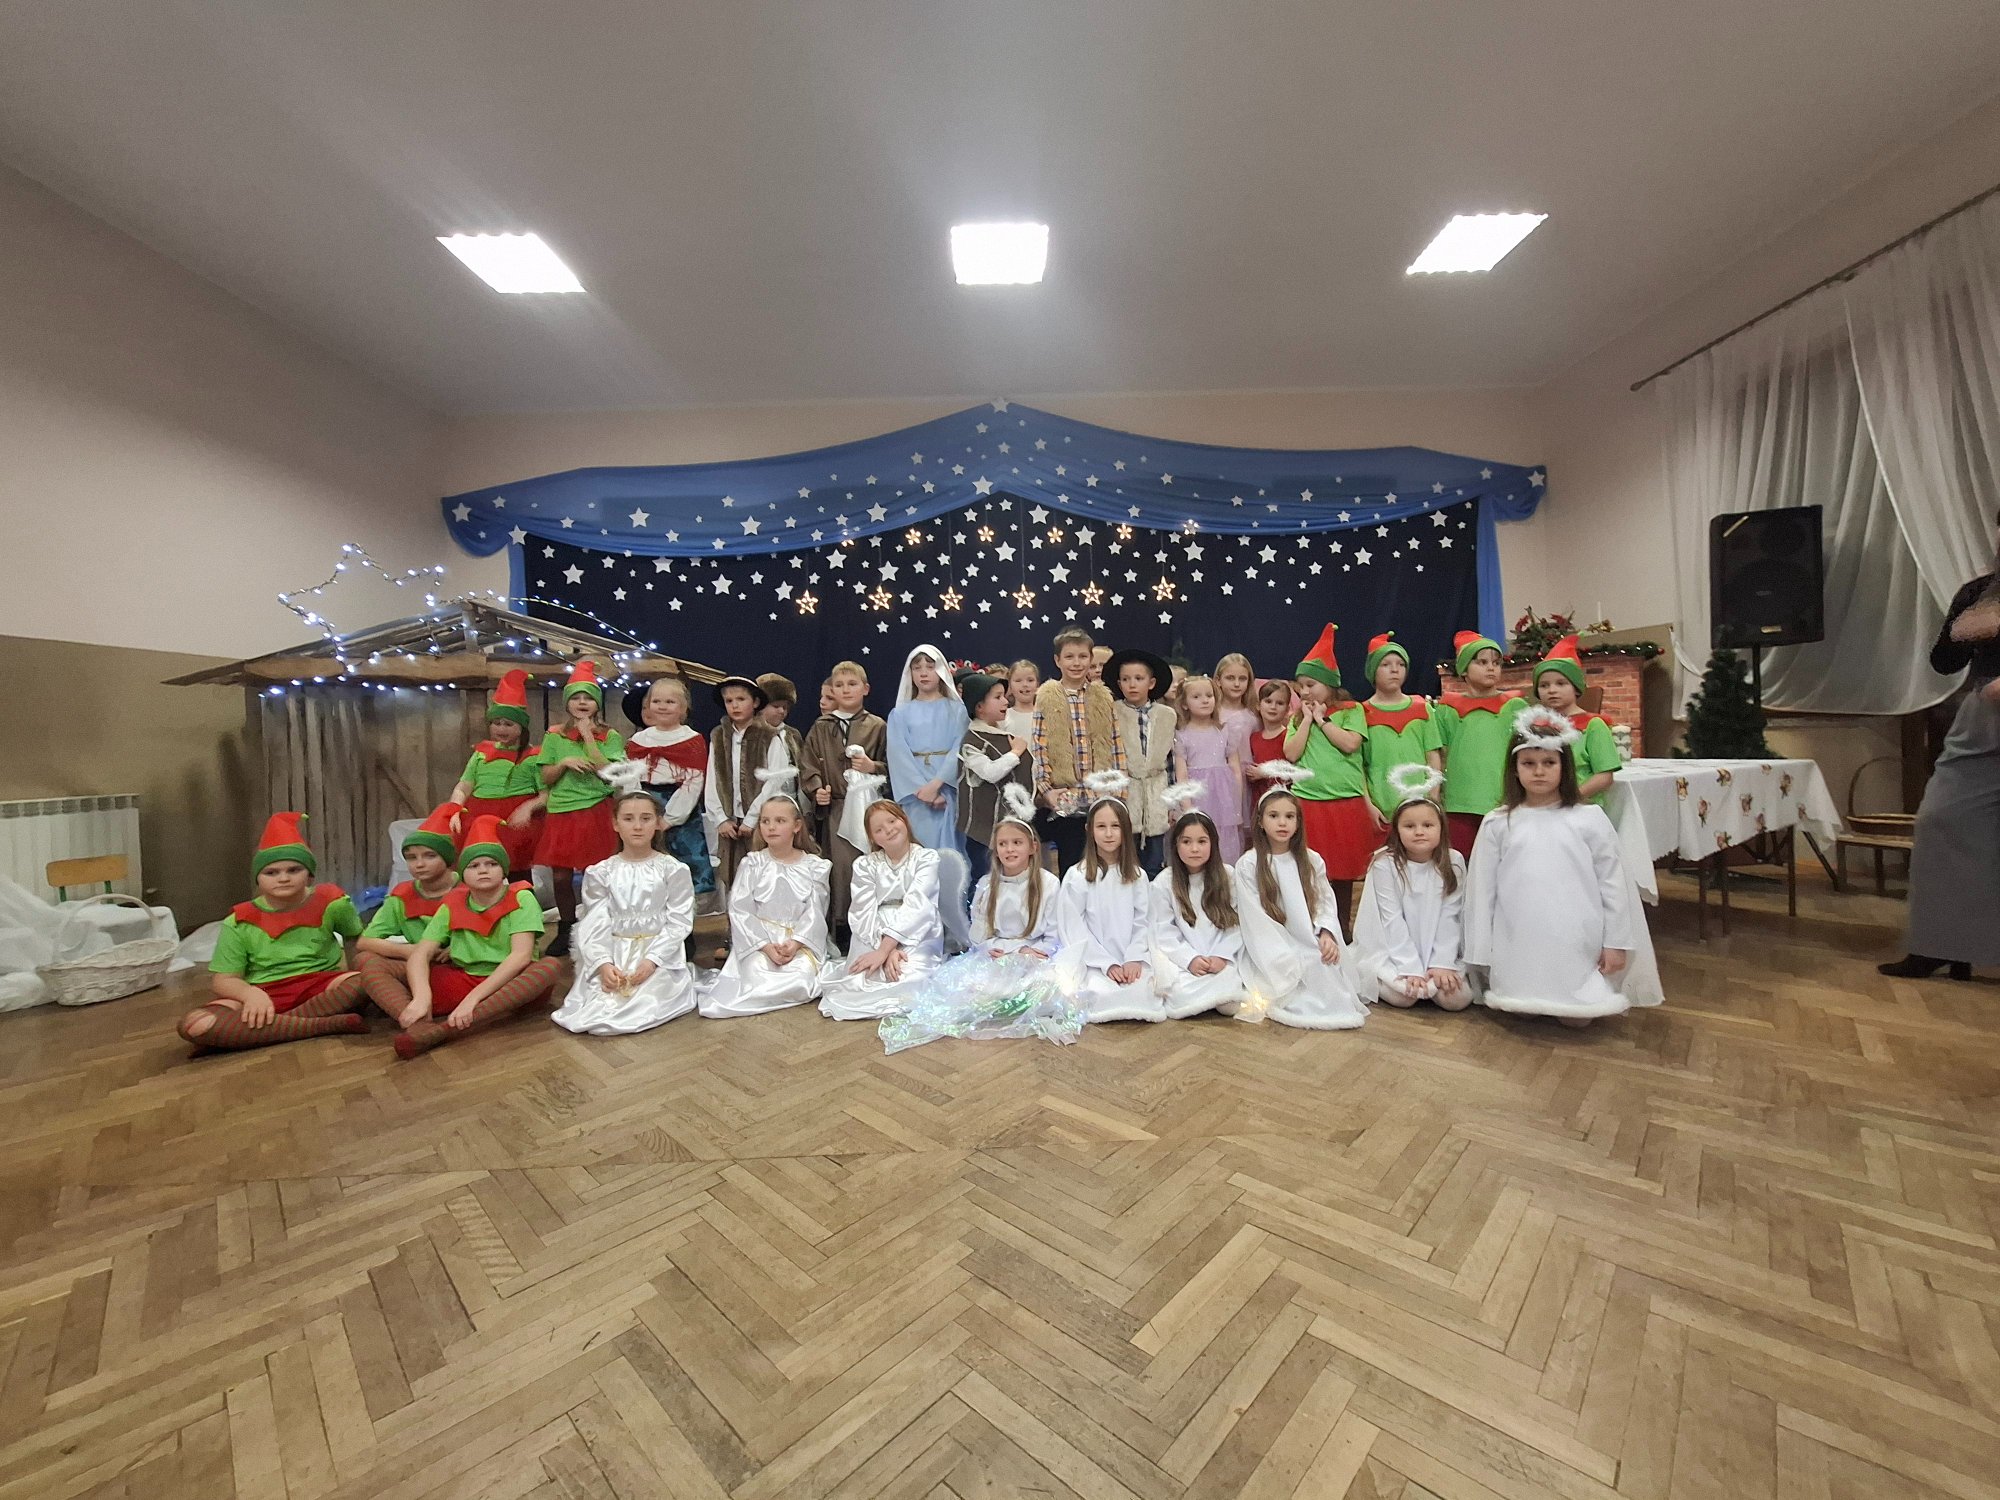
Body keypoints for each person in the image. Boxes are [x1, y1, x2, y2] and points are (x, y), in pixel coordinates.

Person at [1462, 707, 1662, 1025]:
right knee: (1521, 1010)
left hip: (1576, 936)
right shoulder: (1498, 823)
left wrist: (1615, 943)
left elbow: (1613, 883)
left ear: (1564, 767)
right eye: (1529, 763)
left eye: (1549, 763)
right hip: (1518, 936)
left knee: (1577, 1018)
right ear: (1514, 769)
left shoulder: (1589, 819)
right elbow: (1482, 890)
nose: (1539, 771)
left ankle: (1577, 993)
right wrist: (1481, 949)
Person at [1882, 515, 2000, 981]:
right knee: (1939, 821)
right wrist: (1961, 629)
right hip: (1983, 719)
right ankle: (1938, 947)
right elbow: (1944, 662)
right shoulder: (1979, 592)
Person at [178, 812, 366, 1051]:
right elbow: (224, 980)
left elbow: (355, 939)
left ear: (309, 874)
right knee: (195, 1025)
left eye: (294, 870)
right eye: (272, 872)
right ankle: (321, 1025)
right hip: (263, 991)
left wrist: (356, 972)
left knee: (365, 984)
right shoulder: (239, 920)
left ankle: (272, 1028)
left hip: (321, 984)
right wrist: (250, 995)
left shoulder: (333, 902)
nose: (283, 878)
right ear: (258, 878)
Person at [393, 816, 566, 1058]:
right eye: (474, 866)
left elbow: (520, 956)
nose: (483, 870)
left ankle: (443, 1030)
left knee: (549, 967)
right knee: (375, 963)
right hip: (463, 977)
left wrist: (472, 1000)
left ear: (503, 869)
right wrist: (421, 997)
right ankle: (415, 1018)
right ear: (463, 873)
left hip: (510, 982)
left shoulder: (521, 897)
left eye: (491, 863)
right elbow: (421, 952)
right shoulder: (453, 901)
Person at [550, 791, 696, 1035]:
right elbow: (594, 924)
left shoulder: (673, 869)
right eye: (628, 819)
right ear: (615, 824)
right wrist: (603, 964)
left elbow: (679, 922)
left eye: (646, 818)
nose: (637, 826)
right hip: (614, 951)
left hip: (659, 953)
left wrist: (652, 961)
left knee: (645, 1003)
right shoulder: (601, 872)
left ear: (658, 823)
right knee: (600, 1004)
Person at [1233, 788, 1368, 1030]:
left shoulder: (1311, 860)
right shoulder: (1249, 864)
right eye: (1273, 816)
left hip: (1309, 938)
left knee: (1322, 963)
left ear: (1298, 822)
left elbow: (1324, 902)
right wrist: (1285, 952)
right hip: (1271, 946)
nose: (1282, 823)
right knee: (1293, 972)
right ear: (1260, 821)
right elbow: (1255, 919)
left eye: (1289, 816)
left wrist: (1326, 933)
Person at [1280, 624, 1377, 938]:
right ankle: (1312, 928)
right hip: (1310, 801)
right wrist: (1307, 720)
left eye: (1311, 684)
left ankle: (1342, 929)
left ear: (1330, 684)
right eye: (1301, 687)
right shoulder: (1297, 718)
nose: (1305, 692)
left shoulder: (1351, 710)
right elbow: (1291, 754)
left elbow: (1349, 743)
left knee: (1343, 873)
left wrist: (1322, 720)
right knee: (1311, 870)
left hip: (1345, 801)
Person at [697, 793, 831, 1016]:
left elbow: (816, 911)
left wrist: (796, 943)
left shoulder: (814, 866)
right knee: (757, 972)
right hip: (759, 940)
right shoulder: (753, 863)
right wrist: (766, 946)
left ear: (797, 826)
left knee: (802, 978)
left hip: (798, 940)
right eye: (765, 821)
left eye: (780, 821)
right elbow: (740, 909)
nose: (771, 827)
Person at [1349, 767, 1470, 1009]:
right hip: (1394, 951)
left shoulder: (1453, 861)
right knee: (1404, 996)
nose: (1419, 832)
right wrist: (1410, 967)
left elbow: (1452, 914)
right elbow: (1391, 919)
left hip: (1440, 949)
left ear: (1441, 827)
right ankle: (1389, 976)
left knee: (1457, 1000)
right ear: (1397, 830)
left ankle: (1435, 972)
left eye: (1427, 825)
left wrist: (1441, 963)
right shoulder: (1386, 864)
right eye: (1409, 826)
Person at [819, 800, 948, 1019]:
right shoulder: (865, 865)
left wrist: (886, 949)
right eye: (878, 829)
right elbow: (862, 910)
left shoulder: (926, 859)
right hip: (874, 930)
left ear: (904, 820)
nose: (888, 830)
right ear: (872, 838)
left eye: (892, 821)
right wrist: (882, 949)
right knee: (863, 977)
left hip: (917, 928)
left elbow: (919, 905)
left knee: (908, 977)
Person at [531, 660, 626, 955]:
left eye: (588, 698)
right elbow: (545, 777)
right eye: (576, 697)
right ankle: (566, 928)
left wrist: (587, 738)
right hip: (562, 810)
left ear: (597, 704)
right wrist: (563, 762)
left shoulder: (610, 736)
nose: (582, 703)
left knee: (597, 875)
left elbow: (610, 775)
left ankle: (601, 927)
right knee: (560, 877)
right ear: (567, 703)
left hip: (596, 809)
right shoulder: (554, 735)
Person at [1053, 784, 1164, 1023]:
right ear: (1089, 830)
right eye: (1101, 827)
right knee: (1098, 993)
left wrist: (1133, 957)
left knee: (1144, 991)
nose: (1109, 834)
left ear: (1126, 829)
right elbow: (1073, 927)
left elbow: (1144, 921)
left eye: (1115, 826)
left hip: (1132, 959)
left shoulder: (1138, 876)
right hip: (1094, 961)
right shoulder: (1077, 876)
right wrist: (1107, 964)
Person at [797, 659, 888, 936]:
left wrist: (873, 767)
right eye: (839, 685)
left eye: (852, 684)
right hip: (836, 809)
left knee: (868, 863)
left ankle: (871, 922)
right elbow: (807, 763)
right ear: (832, 690)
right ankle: (842, 926)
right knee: (840, 868)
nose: (846, 690)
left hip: (869, 808)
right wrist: (817, 789)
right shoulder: (821, 727)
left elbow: (892, 765)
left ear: (865, 689)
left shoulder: (877, 726)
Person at [355, 804, 460, 1026]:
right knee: (365, 961)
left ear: (447, 858)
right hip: (419, 967)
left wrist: (464, 947)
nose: (419, 864)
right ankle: (414, 1020)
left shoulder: (469, 888)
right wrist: (411, 951)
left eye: (429, 856)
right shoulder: (402, 896)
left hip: (463, 966)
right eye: (411, 858)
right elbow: (365, 941)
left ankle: (415, 1012)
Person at [1033, 627, 1127, 870]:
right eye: (1069, 657)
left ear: (1090, 659)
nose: (1076, 663)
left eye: (1083, 657)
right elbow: (1039, 748)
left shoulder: (1102, 697)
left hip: (1100, 797)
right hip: (1067, 800)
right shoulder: (1046, 697)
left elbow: (1115, 745)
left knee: (1106, 863)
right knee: (1072, 864)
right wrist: (1046, 790)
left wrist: (1119, 791)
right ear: (1057, 660)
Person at [1435, 631, 1530, 858]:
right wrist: (1436, 793)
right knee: (1461, 861)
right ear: (1464, 670)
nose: (1491, 668)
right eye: (1482, 662)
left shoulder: (1515, 706)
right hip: (1459, 801)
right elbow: (1439, 753)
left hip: (1502, 799)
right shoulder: (1447, 709)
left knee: (1504, 859)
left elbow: (1525, 753)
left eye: (1496, 663)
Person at [621, 677, 715, 900]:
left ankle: (685, 916)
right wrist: (639, 811)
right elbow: (631, 776)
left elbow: (694, 781)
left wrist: (670, 818)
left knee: (683, 865)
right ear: (648, 705)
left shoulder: (692, 740)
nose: (662, 707)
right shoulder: (638, 740)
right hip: (645, 807)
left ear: (683, 708)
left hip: (680, 809)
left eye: (670, 702)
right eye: (657, 701)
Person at [446, 668, 543, 879]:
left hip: (513, 820)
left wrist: (528, 808)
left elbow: (547, 794)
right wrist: (454, 809)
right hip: (478, 816)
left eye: (508, 724)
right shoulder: (481, 753)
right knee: (477, 868)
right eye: (496, 723)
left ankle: (520, 898)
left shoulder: (534, 756)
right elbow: (464, 786)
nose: (501, 729)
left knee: (516, 873)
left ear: (522, 727)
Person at [1151, 808, 1247, 1019]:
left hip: (1220, 961)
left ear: (1213, 843)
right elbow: (1164, 931)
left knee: (1230, 1004)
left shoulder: (1228, 876)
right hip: (1185, 964)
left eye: (1202, 841)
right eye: (1186, 842)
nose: (1194, 849)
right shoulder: (1164, 882)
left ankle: (1218, 991)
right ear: (1176, 845)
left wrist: (1221, 956)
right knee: (1180, 996)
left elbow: (1237, 924)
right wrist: (1190, 959)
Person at [704, 674, 790, 895]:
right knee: (732, 877)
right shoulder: (719, 736)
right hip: (729, 822)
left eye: (741, 699)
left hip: (760, 821)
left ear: (756, 702)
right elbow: (712, 779)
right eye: (729, 701)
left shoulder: (769, 736)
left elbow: (775, 780)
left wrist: (753, 818)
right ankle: (734, 916)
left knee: (762, 875)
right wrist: (720, 818)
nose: (735, 705)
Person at [887, 644, 968, 855]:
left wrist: (937, 785)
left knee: (951, 854)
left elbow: (960, 749)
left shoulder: (957, 711)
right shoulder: (900, 713)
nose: (923, 673)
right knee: (919, 851)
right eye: (917, 668)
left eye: (930, 667)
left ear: (940, 671)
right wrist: (923, 791)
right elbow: (898, 756)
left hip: (948, 792)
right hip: (916, 797)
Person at [956, 671, 1032, 887]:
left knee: (1012, 877)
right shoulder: (972, 741)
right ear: (979, 706)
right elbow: (990, 772)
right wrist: (1015, 753)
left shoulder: (1003, 733)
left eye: (1004, 696)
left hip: (1009, 823)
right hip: (984, 829)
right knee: (985, 878)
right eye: (997, 697)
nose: (1005, 701)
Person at [1108, 647, 1177, 877]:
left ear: (1151, 682)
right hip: (1126, 793)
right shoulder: (1113, 713)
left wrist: (1172, 801)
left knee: (1155, 861)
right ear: (1119, 684)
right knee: (1125, 861)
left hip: (1157, 793)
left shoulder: (1167, 715)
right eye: (1126, 679)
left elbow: (1171, 762)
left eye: (1139, 678)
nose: (1132, 685)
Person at [1358, 632, 1444, 819]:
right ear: (1373, 671)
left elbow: (1432, 756)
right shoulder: (1362, 713)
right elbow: (1359, 766)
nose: (1395, 670)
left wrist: (1433, 796)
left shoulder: (1421, 708)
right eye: (1385, 665)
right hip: (1382, 806)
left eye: (1401, 664)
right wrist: (1368, 805)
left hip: (1419, 802)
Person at [1531, 636, 1619, 803]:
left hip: (1581, 806)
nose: (1552, 690)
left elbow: (1604, 776)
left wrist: (1568, 800)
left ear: (1576, 688)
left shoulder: (1593, 725)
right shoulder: (1536, 727)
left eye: (1561, 683)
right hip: (1542, 806)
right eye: (1544, 685)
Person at [969, 806, 1061, 957]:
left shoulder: (1049, 883)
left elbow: (1054, 934)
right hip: (995, 955)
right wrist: (990, 949)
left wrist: (1033, 953)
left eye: (1017, 842)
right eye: (1002, 844)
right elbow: (978, 931)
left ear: (1033, 847)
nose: (1009, 849)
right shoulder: (986, 884)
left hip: (1034, 955)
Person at [1176, 674, 1248, 863]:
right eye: (1196, 696)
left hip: (1224, 798)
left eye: (1209, 695)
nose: (1205, 700)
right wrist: (1187, 807)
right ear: (1184, 704)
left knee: (1224, 841)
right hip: (1198, 796)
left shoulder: (1225, 731)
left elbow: (1235, 769)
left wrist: (1237, 804)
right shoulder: (1182, 735)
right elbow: (1181, 774)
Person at [1244, 679, 1293, 805]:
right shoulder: (1254, 738)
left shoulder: (1288, 737)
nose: (1273, 707)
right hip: (1258, 802)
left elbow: (1293, 771)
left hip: (1282, 802)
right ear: (1258, 705)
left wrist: (1265, 773)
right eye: (1268, 701)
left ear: (1287, 709)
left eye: (1280, 703)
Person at [756, 673, 807, 771]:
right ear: (759, 706)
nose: (782, 711)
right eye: (776, 706)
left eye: (785, 707)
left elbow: (802, 766)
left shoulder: (793, 735)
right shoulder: (751, 733)